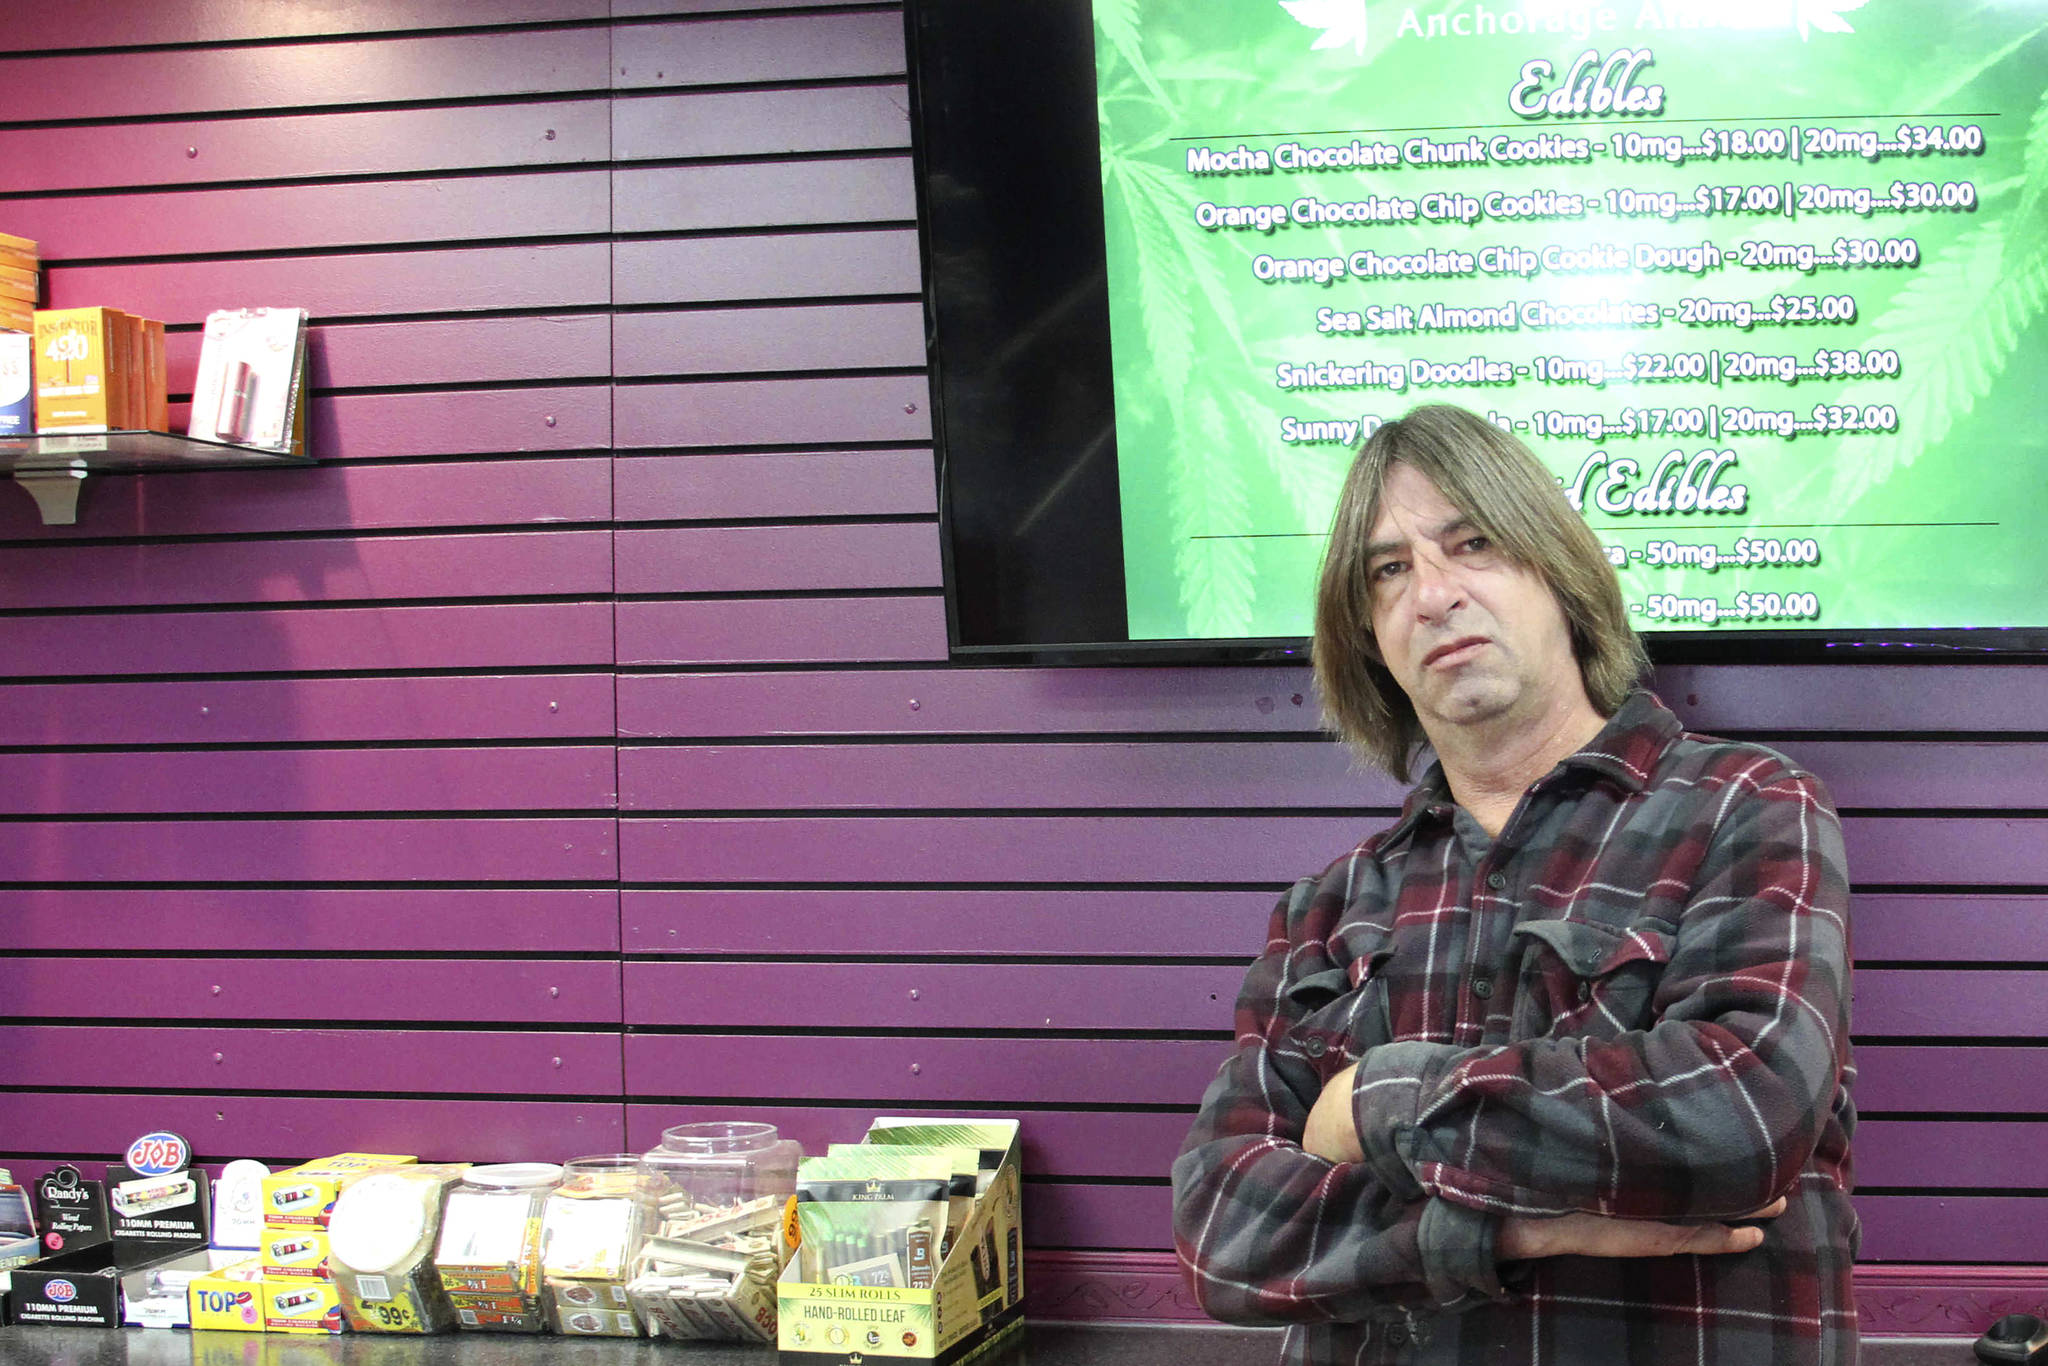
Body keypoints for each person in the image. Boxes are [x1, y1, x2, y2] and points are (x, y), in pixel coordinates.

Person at [1171, 404, 1856, 1364]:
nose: (1433, 594)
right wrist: (1512, 1229)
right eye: (1389, 570)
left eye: (1473, 542)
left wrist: (1378, 1098)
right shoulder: (1329, 908)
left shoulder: (1746, 807)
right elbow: (1224, 1233)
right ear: (1368, 635)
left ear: (1559, 573)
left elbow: (1743, 1114)